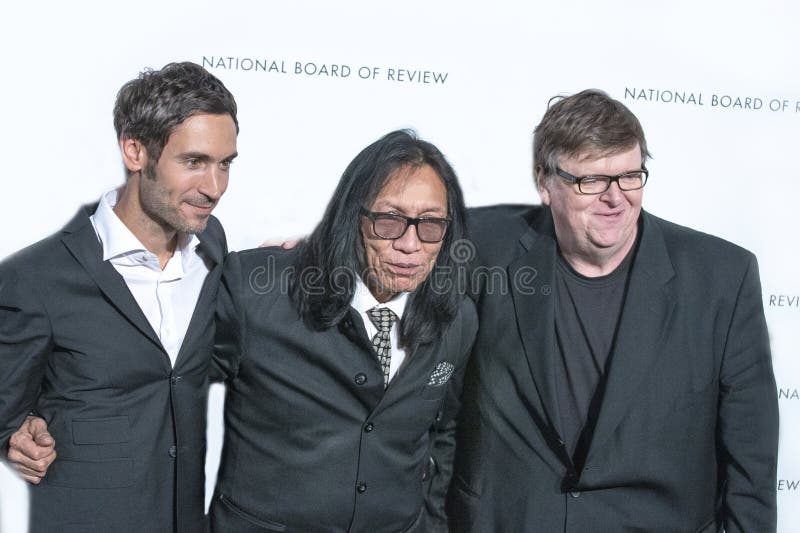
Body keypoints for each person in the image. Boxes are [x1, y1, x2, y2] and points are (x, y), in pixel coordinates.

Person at [445, 89, 779, 532]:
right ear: (544, 182)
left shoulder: (722, 279)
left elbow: (750, 463)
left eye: (629, 176)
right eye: (592, 181)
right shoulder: (478, 248)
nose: (615, 198)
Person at [0, 61, 238, 532]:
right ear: (135, 151)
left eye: (225, 163)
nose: (214, 188)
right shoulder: (36, 278)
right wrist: (16, 434)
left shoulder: (213, 248)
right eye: (193, 162)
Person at [208, 129, 477, 532]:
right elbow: (164, 393)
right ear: (353, 216)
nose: (410, 244)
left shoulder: (457, 318)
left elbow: (445, 431)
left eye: (431, 224)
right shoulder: (256, 291)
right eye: (389, 220)